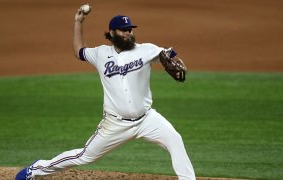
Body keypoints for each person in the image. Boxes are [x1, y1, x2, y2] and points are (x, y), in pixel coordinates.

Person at [15, 6, 195, 180]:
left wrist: (172, 61)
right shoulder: (100, 53)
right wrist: (78, 22)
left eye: (130, 30)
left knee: (175, 139)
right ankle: (37, 169)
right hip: (115, 123)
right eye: (124, 30)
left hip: (146, 119)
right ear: (112, 32)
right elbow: (79, 51)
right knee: (85, 156)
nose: (128, 33)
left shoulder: (146, 49)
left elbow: (168, 55)